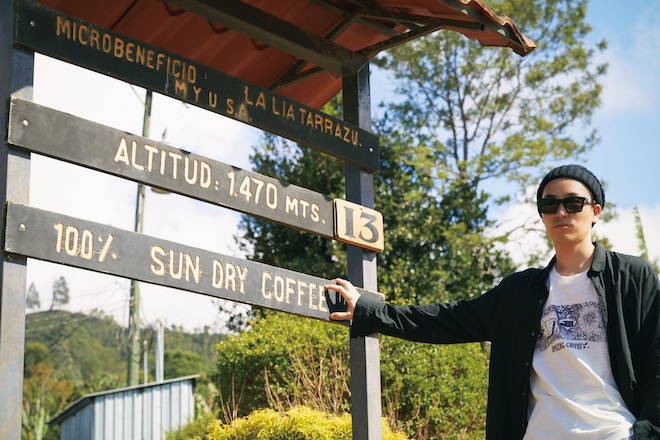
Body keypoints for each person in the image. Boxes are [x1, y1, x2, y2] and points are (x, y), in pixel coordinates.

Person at [325, 164, 660, 440]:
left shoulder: (631, 277)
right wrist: (370, 310)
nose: (561, 212)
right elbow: (447, 319)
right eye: (549, 205)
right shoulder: (519, 293)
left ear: (595, 212)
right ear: (542, 215)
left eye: (573, 203)